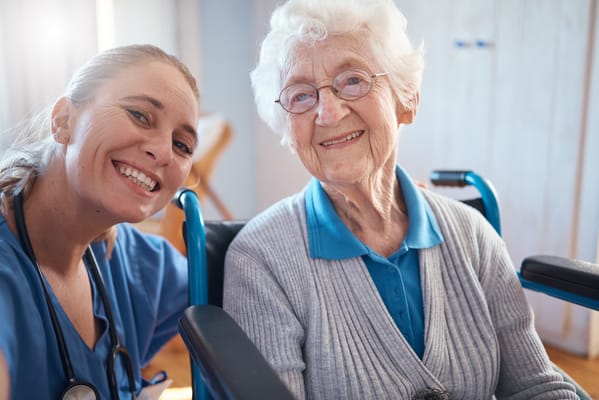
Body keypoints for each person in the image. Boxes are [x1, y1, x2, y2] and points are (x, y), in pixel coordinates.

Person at [222, 0, 579, 399]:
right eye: (301, 95)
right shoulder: (260, 261)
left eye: (352, 80)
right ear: (288, 128)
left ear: (406, 99)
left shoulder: (473, 235)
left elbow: (535, 385)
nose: (327, 111)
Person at [0, 44, 199, 399]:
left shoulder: (137, 265)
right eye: (140, 115)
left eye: (182, 144)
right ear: (63, 120)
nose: (164, 152)